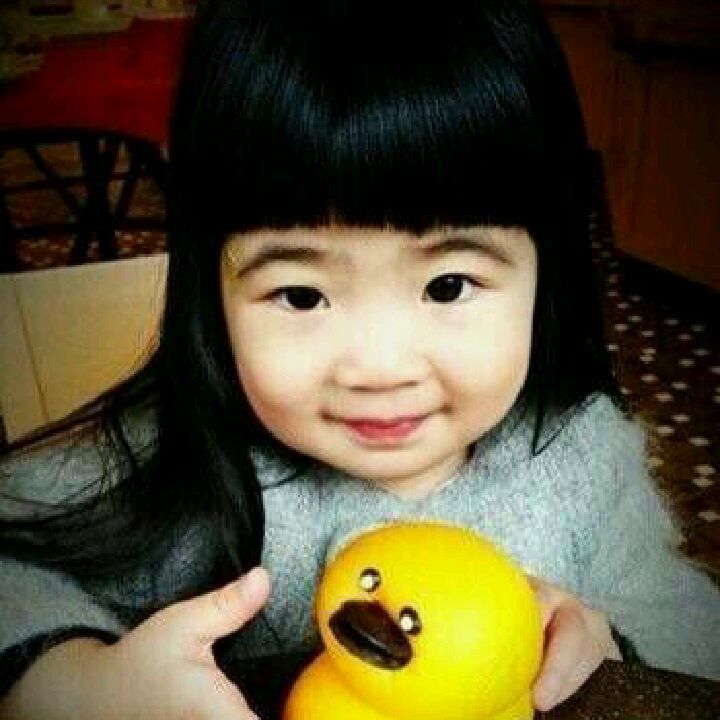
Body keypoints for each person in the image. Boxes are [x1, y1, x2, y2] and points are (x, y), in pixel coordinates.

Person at [1, 0, 718, 717]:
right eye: (301, 295)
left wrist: (613, 637)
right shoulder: (183, 454)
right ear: (211, 291)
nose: (379, 367)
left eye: (447, 285)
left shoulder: (583, 456)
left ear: (546, 274)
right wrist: (71, 680)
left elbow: (691, 625)